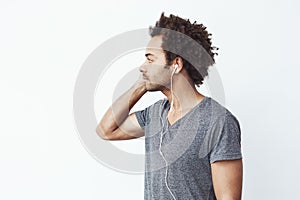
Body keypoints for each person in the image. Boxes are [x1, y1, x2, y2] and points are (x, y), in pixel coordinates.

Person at [96, 12, 243, 200]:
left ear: (176, 64)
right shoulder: (154, 114)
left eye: (150, 59)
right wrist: (141, 85)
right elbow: (106, 131)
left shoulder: (218, 121)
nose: (142, 67)